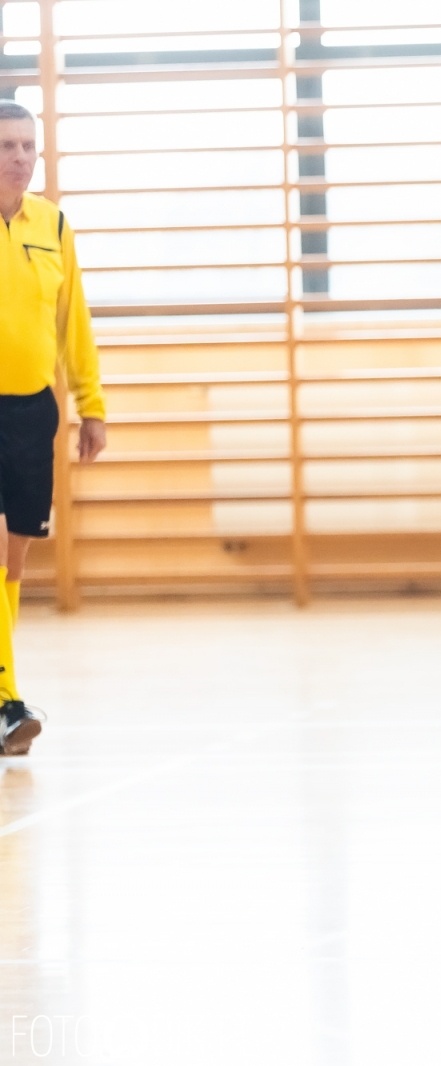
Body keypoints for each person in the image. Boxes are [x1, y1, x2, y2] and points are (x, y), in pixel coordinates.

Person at [0, 101, 107, 756]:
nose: (19, 157)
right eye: (7, 145)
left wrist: (91, 404)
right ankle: (9, 701)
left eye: (27, 146)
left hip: (31, 411)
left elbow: (75, 323)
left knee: (13, 566)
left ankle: (3, 697)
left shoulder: (53, 225)